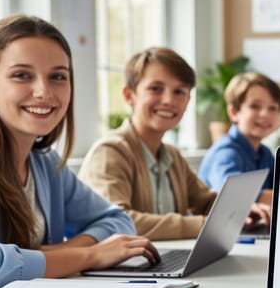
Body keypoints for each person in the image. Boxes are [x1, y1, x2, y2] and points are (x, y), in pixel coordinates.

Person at [0, 15, 159, 288]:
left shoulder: (45, 164)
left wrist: (60, 252)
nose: (43, 92)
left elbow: (118, 221)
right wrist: (89, 256)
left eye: (57, 76)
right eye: (22, 75)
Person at [78, 48, 268, 241]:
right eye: (156, 89)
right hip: (118, 269)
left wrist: (239, 209)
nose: (169, 100)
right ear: (129, 95)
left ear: (187, 101)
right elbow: (116, 222)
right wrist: (202, 224)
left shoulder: (172, 155)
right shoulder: (110, 152)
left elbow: (205, 200)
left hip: (159, 261)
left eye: (179, 92)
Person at [198, 72, 280, 205]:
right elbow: (232, 196)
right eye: (255, 106)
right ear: (234, 112)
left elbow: (279, 186)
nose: (265, 114)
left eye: (272, 108)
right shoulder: (225, 152)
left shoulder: (264, 153)